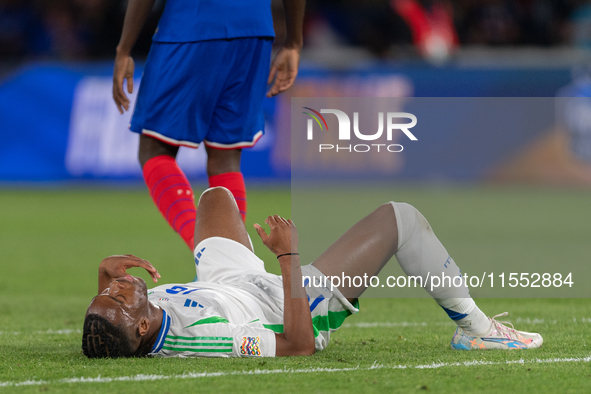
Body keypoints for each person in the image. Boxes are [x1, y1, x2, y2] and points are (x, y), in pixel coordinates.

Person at [82, 187, 543, 358]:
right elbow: (297, 346)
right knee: (399, 218)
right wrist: (288, 258)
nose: (117, 287)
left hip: (225, 285)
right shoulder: (210, 339)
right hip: (286, 305)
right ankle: (478, 330)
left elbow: (115, 329)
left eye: (105, 293)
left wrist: (107, 279)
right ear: (143, 324)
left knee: (215, 197)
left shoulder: (137, 323)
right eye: (119, 295)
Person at [112, 0, 305, 250]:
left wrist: (123, 49)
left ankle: (210, 254)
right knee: (225, 156)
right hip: (255, 30)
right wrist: (293, 43)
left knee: (154, 149)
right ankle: (232, 263)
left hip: (192, 23)